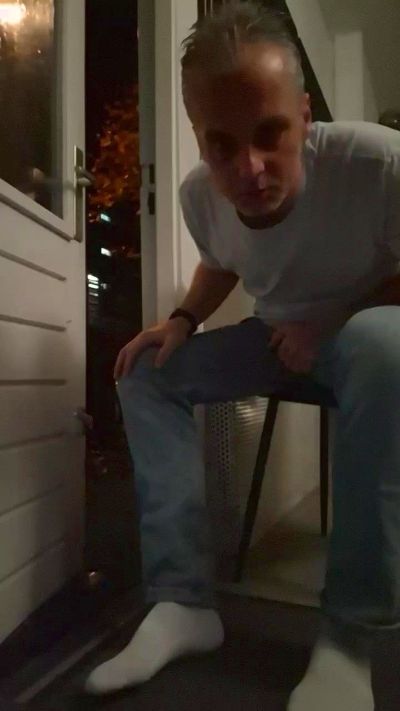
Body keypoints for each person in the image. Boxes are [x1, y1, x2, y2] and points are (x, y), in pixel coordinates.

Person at [85, 3, 400, 708]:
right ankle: (182, 603)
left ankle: (350, 638)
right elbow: (224, 260)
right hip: (276, 339)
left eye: (269, 135)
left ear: (305, 117)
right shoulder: (202, 196)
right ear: (198, 136)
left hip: (370, 334)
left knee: (384, 349)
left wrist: (331, 322)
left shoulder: (378, 163)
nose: (248, 169)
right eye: (221, 145)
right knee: (147, 373)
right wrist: (181, 320)